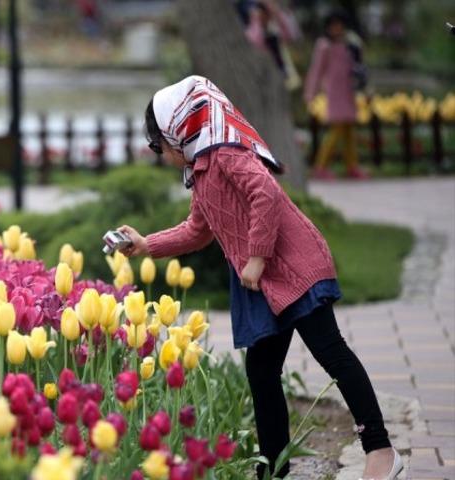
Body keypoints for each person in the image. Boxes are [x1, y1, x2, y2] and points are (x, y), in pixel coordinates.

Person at [118, 76, 403, 480]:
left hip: (292, 268)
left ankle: (381, 452)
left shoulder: (225, 154)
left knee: (331, 354)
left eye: (157, 145)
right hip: (265, 283)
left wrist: (256, 256)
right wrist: (147, 245)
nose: (160, 155)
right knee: (261, 371)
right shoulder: (201, 172)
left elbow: (264, 195)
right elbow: (197, 230)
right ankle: (274, 468)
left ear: (179, 129)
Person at [304, 10, 368, 179]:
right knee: (336, 130)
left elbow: (359, 67)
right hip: (334, 92)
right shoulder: (324, 45)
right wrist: (311, 92)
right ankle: (320, 166)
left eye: (340, 25)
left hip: (348, 91)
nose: (337, 29)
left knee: (348, 131)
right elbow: (316, 70)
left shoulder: (350, 43)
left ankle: (352, 166)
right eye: (334, 26)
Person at [240, 0, 302, 90]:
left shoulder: (275, 28)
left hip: (285, 69)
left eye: (264, 14)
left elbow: (289, 35)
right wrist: (257, 22)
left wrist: (276, 13)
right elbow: (255, 42)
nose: (263, 17)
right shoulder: (253, 31)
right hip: (267, 73)